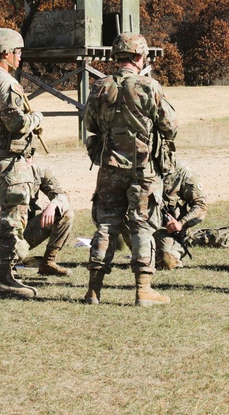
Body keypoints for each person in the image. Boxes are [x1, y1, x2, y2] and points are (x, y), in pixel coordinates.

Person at [83, 33, 178, 306]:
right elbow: (170, 126)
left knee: (105, 225)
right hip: (142, 169)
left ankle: (93, 290)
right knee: (142, 226)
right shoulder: (150, 86)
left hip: (109, 167)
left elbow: (90, 124)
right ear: (139, 57)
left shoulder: (99, 86)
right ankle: (143, 289)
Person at [0, 28, 51, 299]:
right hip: (8, 160)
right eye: (18, 51)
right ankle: (4, 277)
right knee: (11, 220)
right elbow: (16, 124)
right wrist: (36, 118)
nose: (20, 57)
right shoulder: (6, 82)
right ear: (6, 52)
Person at [20, 164, 74, 276]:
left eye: (29, 155)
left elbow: (62, 195)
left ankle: (48, 263)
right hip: (3, 235)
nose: (25, 159)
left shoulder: (38, 172)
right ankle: (4, 265)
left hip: (24, 231)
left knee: (65, 212)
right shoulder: (0, 173)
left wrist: (54, 204)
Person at [155, 158, 208, 270]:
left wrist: (181, 224)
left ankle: (197, 238)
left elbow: (201, 205)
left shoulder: (182, 173)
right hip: (141, 227)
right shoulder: (138, 168)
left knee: (168, 261)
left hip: (167, 231)